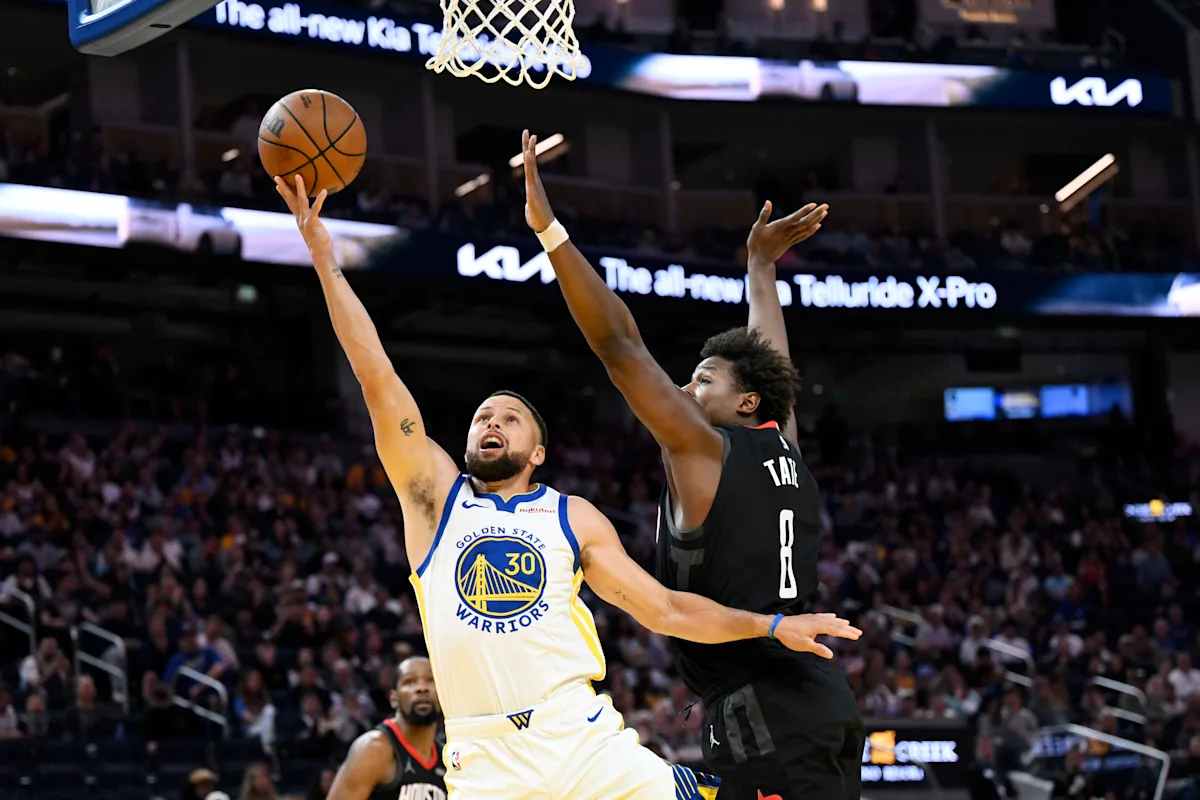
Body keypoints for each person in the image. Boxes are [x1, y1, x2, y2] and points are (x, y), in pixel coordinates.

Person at [274, 174, 860, 800]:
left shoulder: (573, 515)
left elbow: (663, 608)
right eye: (483, 416)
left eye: (510, 418)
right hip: (484, 755)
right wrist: (325, 261)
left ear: (540, 453)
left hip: (584, 740)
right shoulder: (434, 497)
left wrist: (768, 626)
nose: (492, 422)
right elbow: (376, 374)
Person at [521, 129, 864, 800]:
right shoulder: (784, 445)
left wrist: (550, 233)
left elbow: (619, 345)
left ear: (745, 402)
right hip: (811, 700)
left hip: (766, 712)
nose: (684, 389)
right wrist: (760, 269)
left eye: (702, 380)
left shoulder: (707, 451)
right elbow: (773, 360)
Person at [326, 657, 446, 800]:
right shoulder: (373, 748)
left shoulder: (447, 758)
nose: (422, 688)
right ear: (393, 698)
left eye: (431, 680)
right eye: (410, 681)